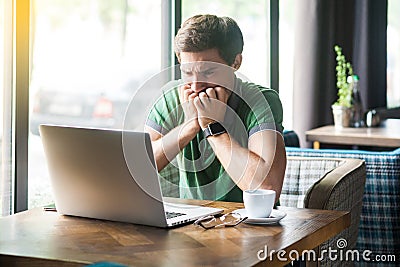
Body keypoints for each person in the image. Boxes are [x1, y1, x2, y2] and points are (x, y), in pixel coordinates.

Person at [145, 14, 286, 203]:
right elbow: (138, 169)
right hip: (193, 224)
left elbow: (266, 187)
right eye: (187, 72)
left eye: (208, 72)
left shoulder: (261, 100)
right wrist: (189, 127)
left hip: (250, 225)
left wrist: (213, 127)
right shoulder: (170, 97)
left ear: (235, 63)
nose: (195, 86)